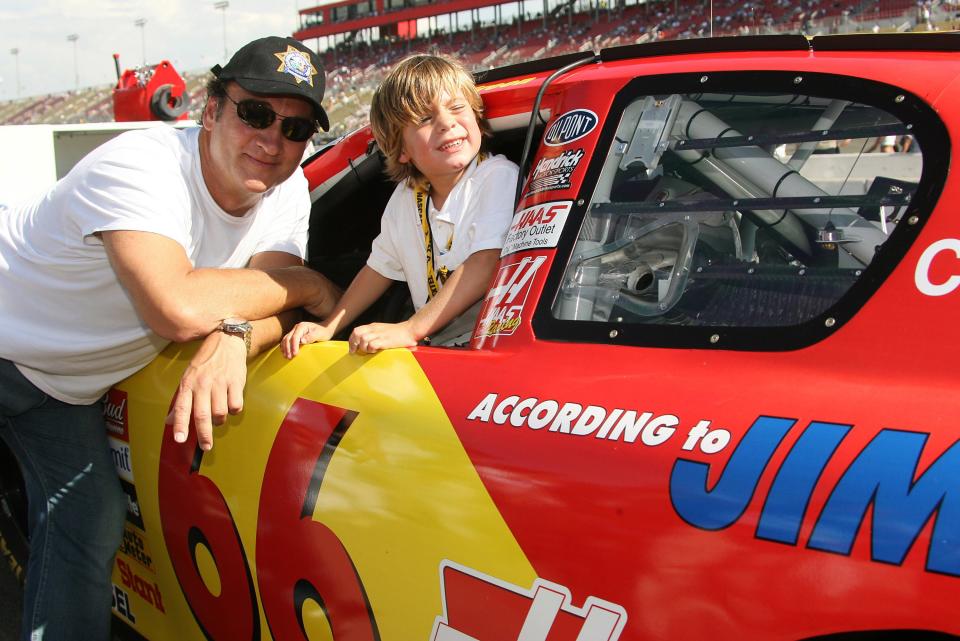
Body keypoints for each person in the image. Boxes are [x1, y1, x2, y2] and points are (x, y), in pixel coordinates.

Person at [0, 36, 340, 640]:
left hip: (55, 388)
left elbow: (273, 297)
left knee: (91, 520)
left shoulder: (285, 188)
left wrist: (236, 335)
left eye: (294, 129)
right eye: (255, 113)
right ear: (211, 110)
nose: (271, 141)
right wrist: (310, 283)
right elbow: (178, 307)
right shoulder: (141, 164)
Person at [282, 54, 518, 357]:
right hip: (440, 353)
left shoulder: (497, 176)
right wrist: (329, 326)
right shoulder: (408, 196)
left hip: (491, 350)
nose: (447, 123)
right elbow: (378, 268)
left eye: (457, 107)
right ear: (400, 148)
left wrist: (410, 329)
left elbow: (485, 262)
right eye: (424, 118)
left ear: (477, 118)